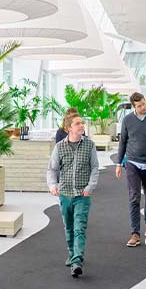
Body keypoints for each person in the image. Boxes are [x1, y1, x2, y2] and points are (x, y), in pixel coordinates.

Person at [47, 113, 99, 277]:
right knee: (68, 227)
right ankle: (71, 253)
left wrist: (90, 188)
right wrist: (52, 185)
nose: (82, 125)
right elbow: (52, 169)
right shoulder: (60, 147)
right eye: (78, 124)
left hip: (82, 195)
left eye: (82, 123)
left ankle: (77, 261)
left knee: (79, 228)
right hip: (65, 194)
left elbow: (95, 168)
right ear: (69, 128)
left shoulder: (89, 145)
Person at [115, 92, 146, 247]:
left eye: (144, 103)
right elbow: (123, 141)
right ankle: (135, 233)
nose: (143, 107)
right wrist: (118, 164)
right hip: (133, 163)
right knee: (134, 196)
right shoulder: (127, 119)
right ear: (134, 106)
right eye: (139, 105)